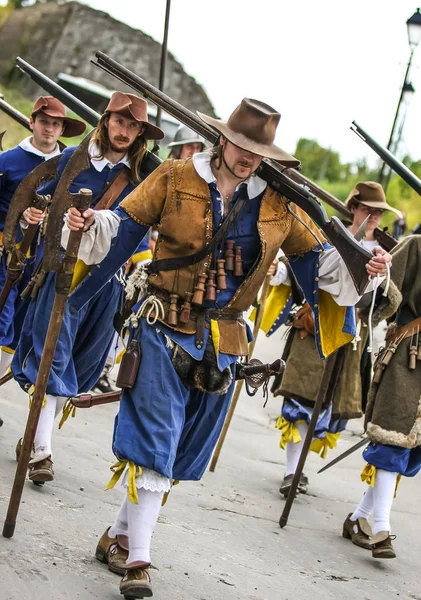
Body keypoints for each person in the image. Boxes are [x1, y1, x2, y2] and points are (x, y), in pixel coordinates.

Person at [64, 99, 391, 599]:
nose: (248, 157)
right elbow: (122, 227)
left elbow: (319, 267)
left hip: (225, 344)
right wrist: (89, 226)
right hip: (161, 326)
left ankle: (120, 533)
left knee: (179, 447)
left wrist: (361, 267)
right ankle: (139, 560)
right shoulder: (175, 176)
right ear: (223, 139)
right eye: (242, 146)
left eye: (258, 151)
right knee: (156, 433)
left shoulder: (280, 204)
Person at [12, 92, 164, 485]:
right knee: (52, 357)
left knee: (79, 365)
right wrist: (38, 213)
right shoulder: (73, 160)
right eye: (119, 122)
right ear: (106, 121)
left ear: (140, 133)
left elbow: (140, 231)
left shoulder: (145, 179)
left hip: (106, 281)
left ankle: (33, 438)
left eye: (133, 126)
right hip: (63, 273)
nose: (124, 131)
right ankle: (42, 448)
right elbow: (46, 204)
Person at [264, 182, 401, 498]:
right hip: (313, 328)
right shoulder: (326, 236)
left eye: (379, 211)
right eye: (368, 209)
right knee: (300, 401)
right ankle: (291, 472)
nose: (374, 216)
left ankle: (300, 469)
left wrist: (378, 285)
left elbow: (389, 300)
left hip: (351, 339)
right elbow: (297, 268)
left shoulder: (387, 251)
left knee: (329, 411)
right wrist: (277, 271)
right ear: (354, 208)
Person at [343, 234, 421, 559]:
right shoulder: (416, 245)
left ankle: (357, 518)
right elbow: (381, 297)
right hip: (408, 357)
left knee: (411, 452)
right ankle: (381, 529)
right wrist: (378, 273)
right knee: (392, 440)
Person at [0, 96, 86, 377]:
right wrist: (17, 219)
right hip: (4, 254)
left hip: (42, 263)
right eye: (44, 122)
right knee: (1, 321)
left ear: (62, 130)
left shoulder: (71, 169)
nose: (49, 129)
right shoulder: (7, 161)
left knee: (20, 330)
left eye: (55, 124)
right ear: (32, 122)